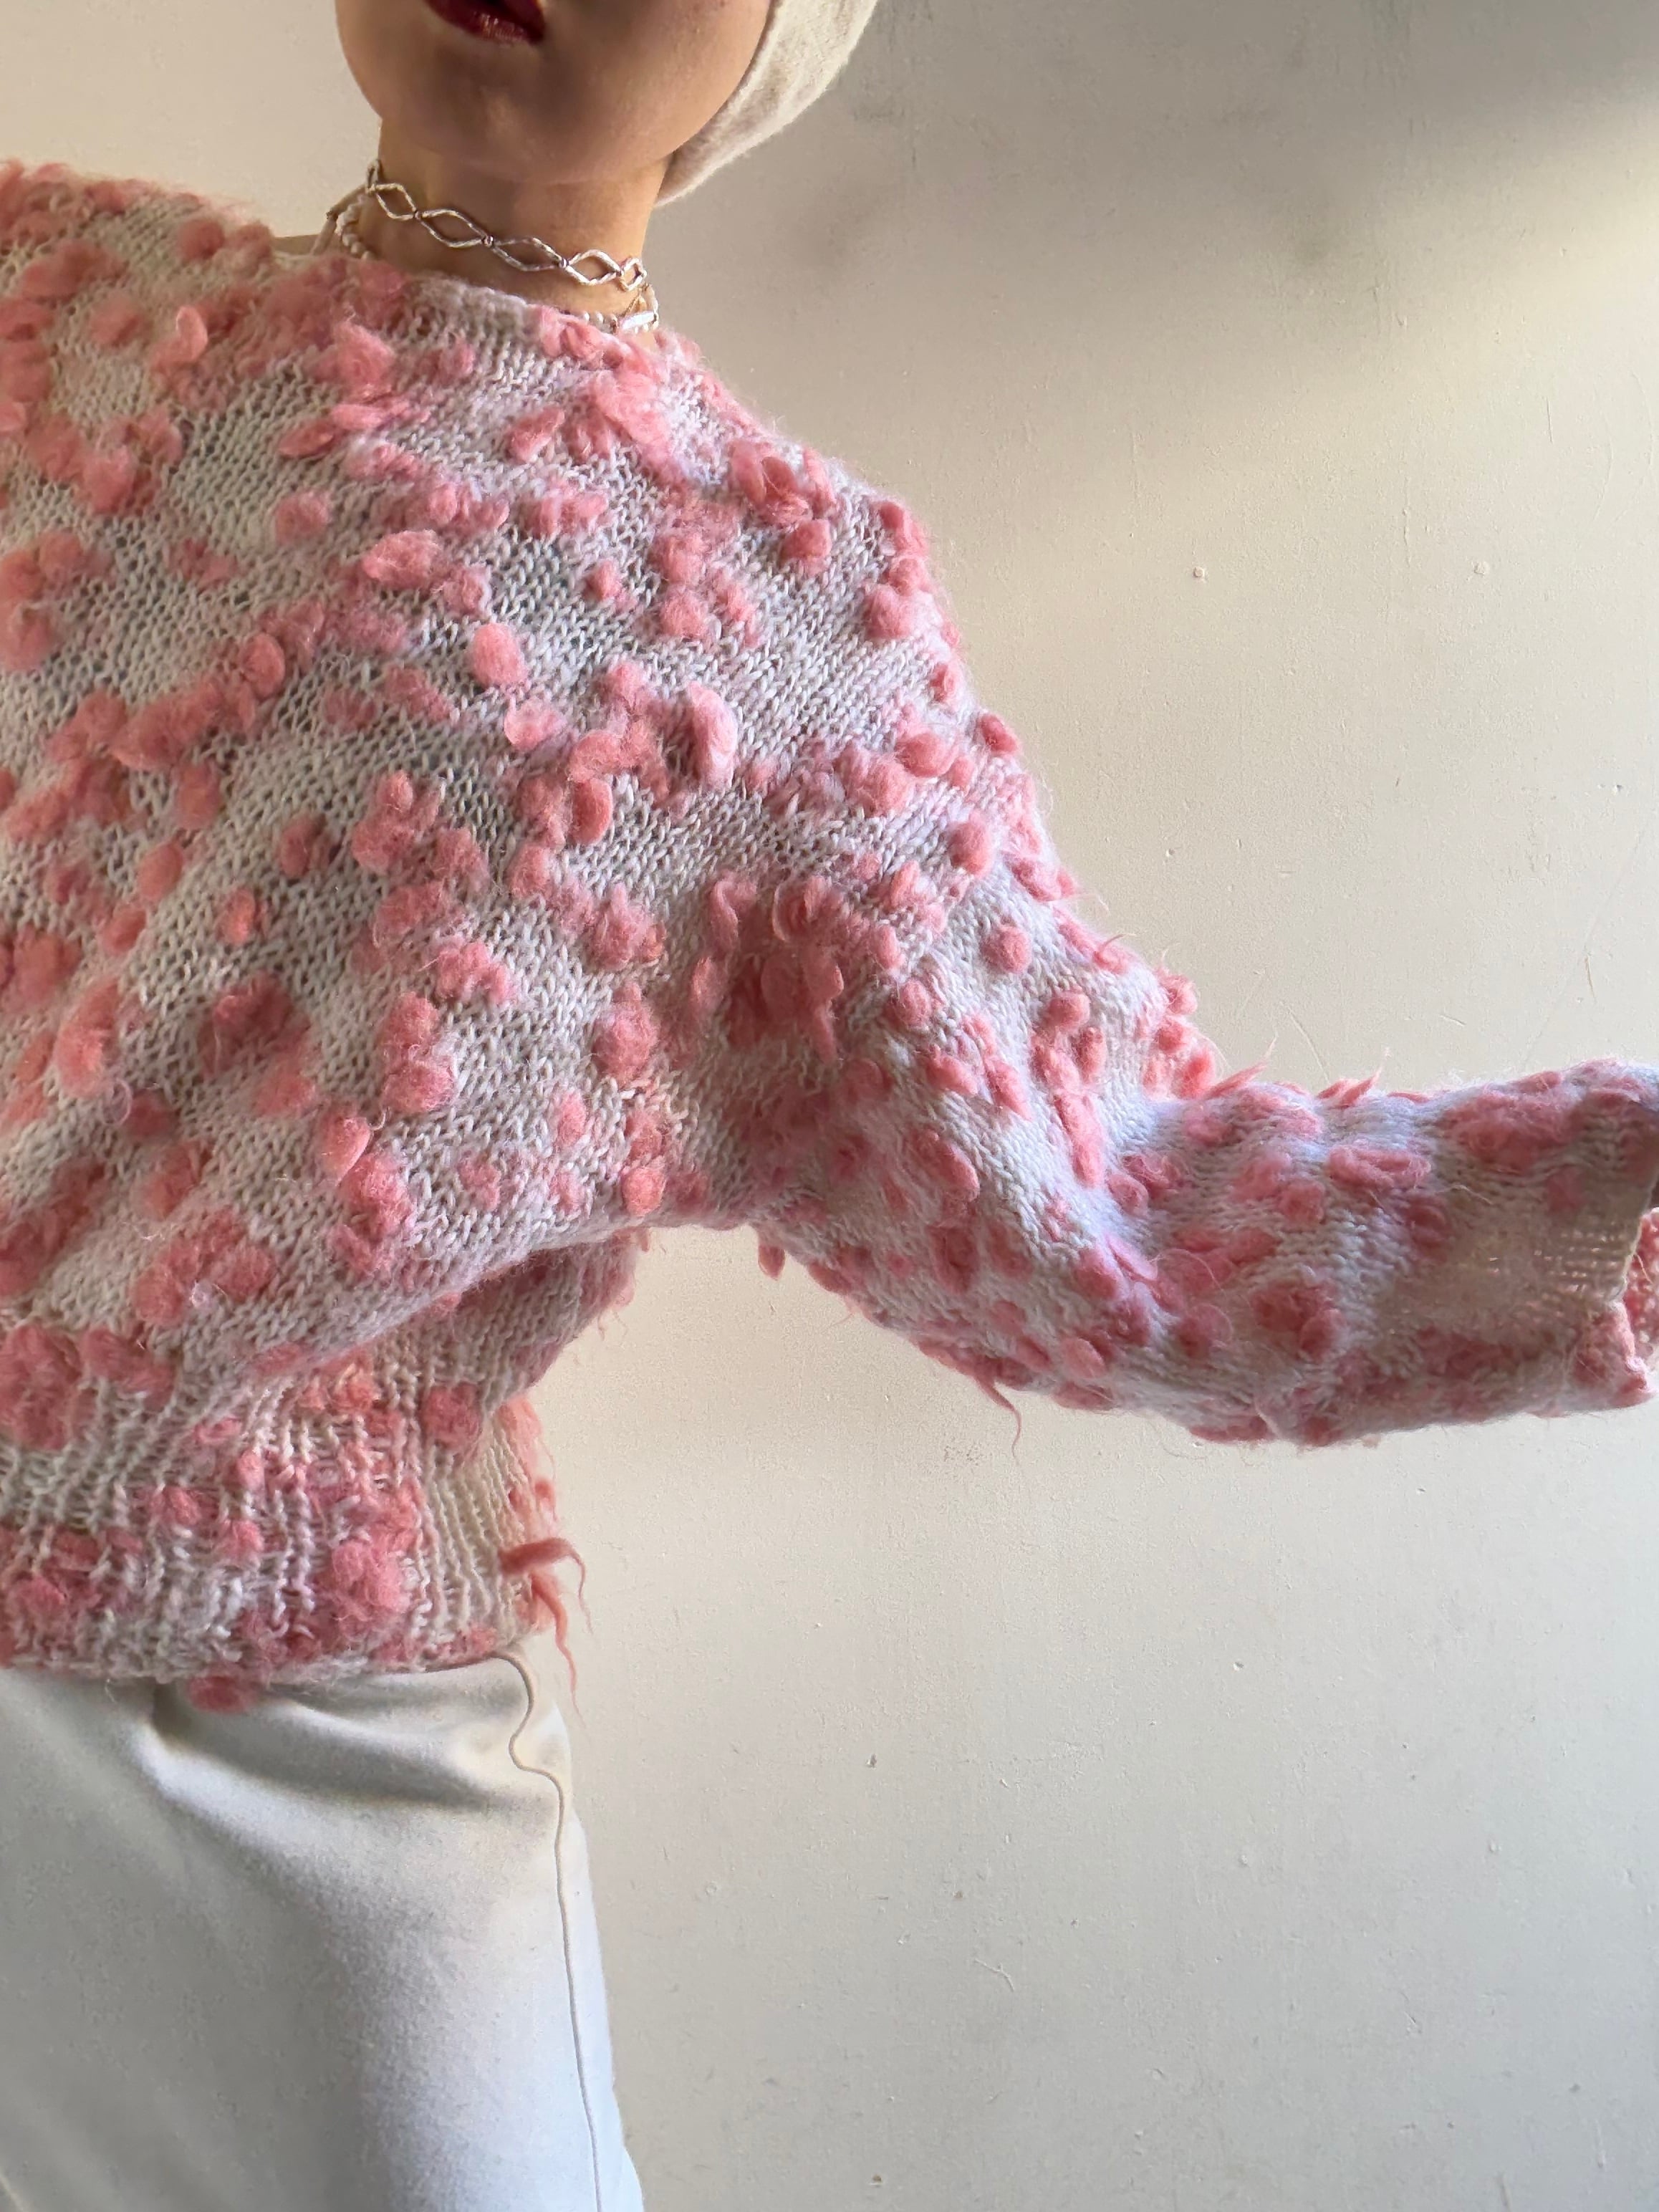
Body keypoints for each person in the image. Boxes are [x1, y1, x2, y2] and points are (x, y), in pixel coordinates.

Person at [0, 0, 1655, 2206]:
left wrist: (1609, 1205)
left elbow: (1122, 1201)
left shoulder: (774, 630)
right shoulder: (51, 306)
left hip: (275, 1771)